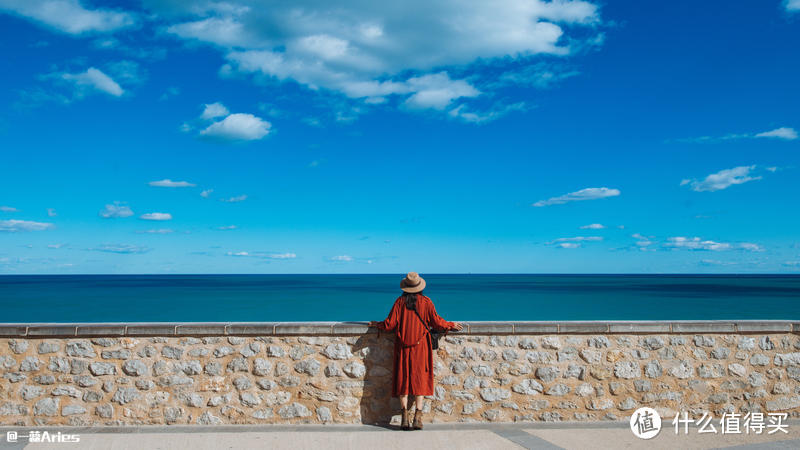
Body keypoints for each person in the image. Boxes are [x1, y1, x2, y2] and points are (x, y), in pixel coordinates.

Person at [368, 272, 463, 430]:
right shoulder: (426, 302)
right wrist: (450, 324)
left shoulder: (399, 302)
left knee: (403, 377)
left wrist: (377, 325)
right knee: (420, 378)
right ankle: (418, 418)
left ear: (405, 287)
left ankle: (404, 417)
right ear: (419, 287)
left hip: (403, 347)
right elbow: (436, 322)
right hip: (421, 347)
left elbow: (390, 324)